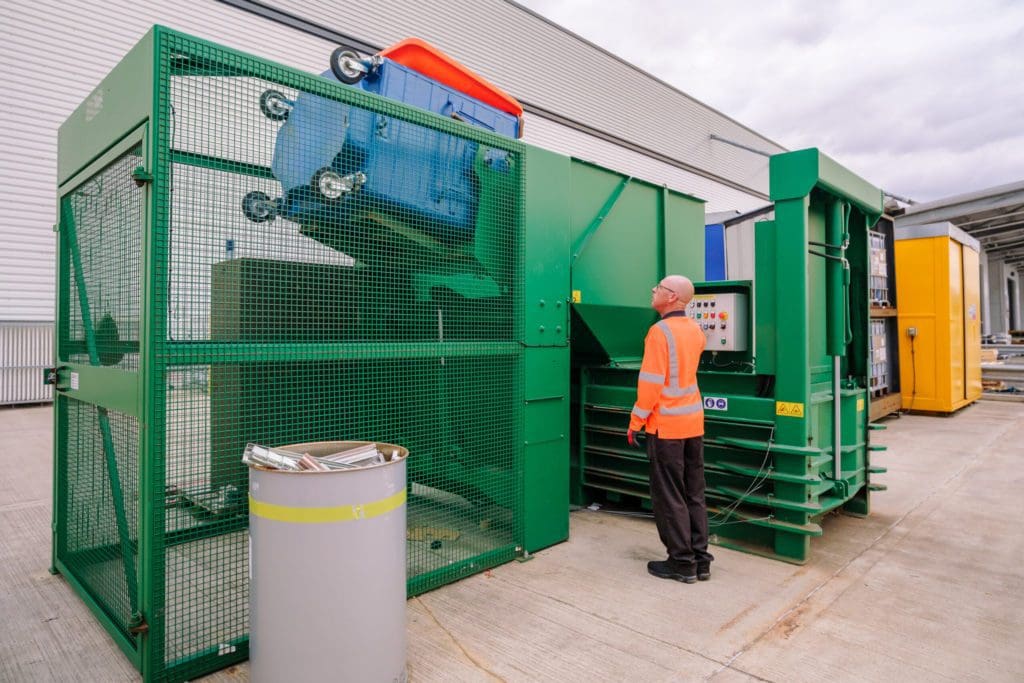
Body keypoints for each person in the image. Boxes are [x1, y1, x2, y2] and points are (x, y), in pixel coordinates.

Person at [627, 275, 713, 584]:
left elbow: (651, 383)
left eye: (660, 287)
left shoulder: (659, 332)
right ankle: (700, 560)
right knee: (694, 493)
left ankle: (681, 562)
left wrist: (636, 421)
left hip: (666, 427)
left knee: (670, 496)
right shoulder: (696, 330)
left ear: (672, 296)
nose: (653, 290)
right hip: (693, 424)